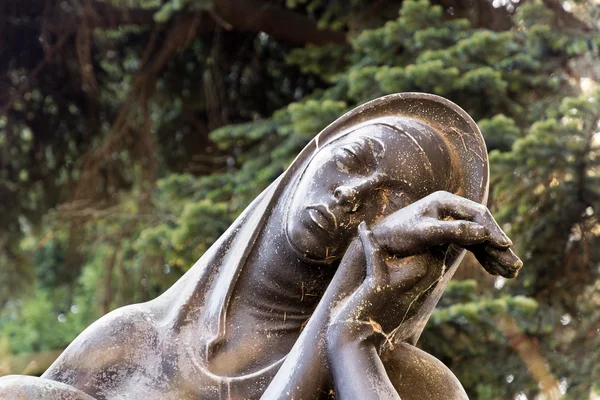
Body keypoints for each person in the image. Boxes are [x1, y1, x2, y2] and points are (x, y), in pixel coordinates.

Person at [0, 93, 521, 399]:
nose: (353, 192)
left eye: (390, 201)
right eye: (355, 157)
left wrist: (349, 335)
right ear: (305, 162)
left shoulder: (410, 384)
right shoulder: (132, 343)